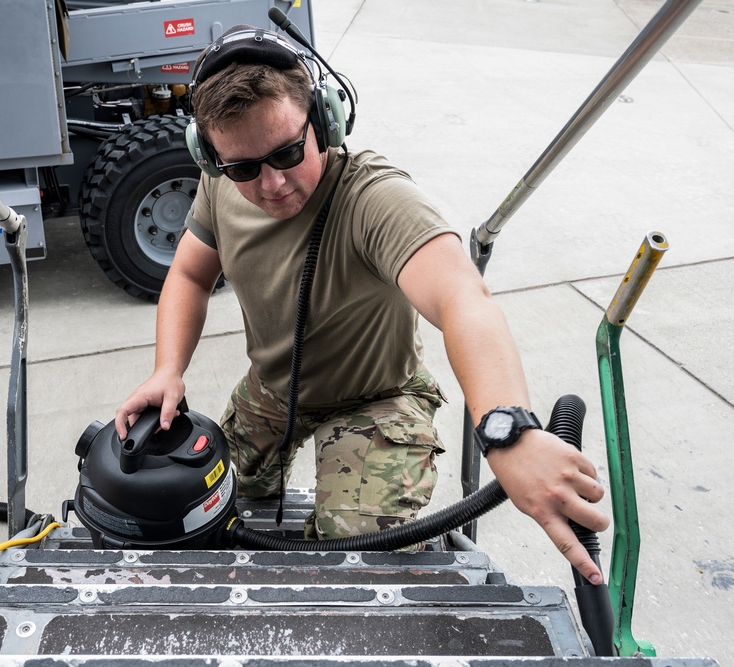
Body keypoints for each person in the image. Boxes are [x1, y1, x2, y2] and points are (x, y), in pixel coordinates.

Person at [115, 25, 609, 583]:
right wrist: (167, 369)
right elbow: (188, 272)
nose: (272, 183)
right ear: (211, 156)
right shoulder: (222, 181)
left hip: (376, 397)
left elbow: (461, 297)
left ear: (324, 119)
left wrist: (508, 430)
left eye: (287, 151)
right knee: (200, 493)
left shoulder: (373, 197)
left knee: (351, 558)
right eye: (245, 167)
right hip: (274, 388)